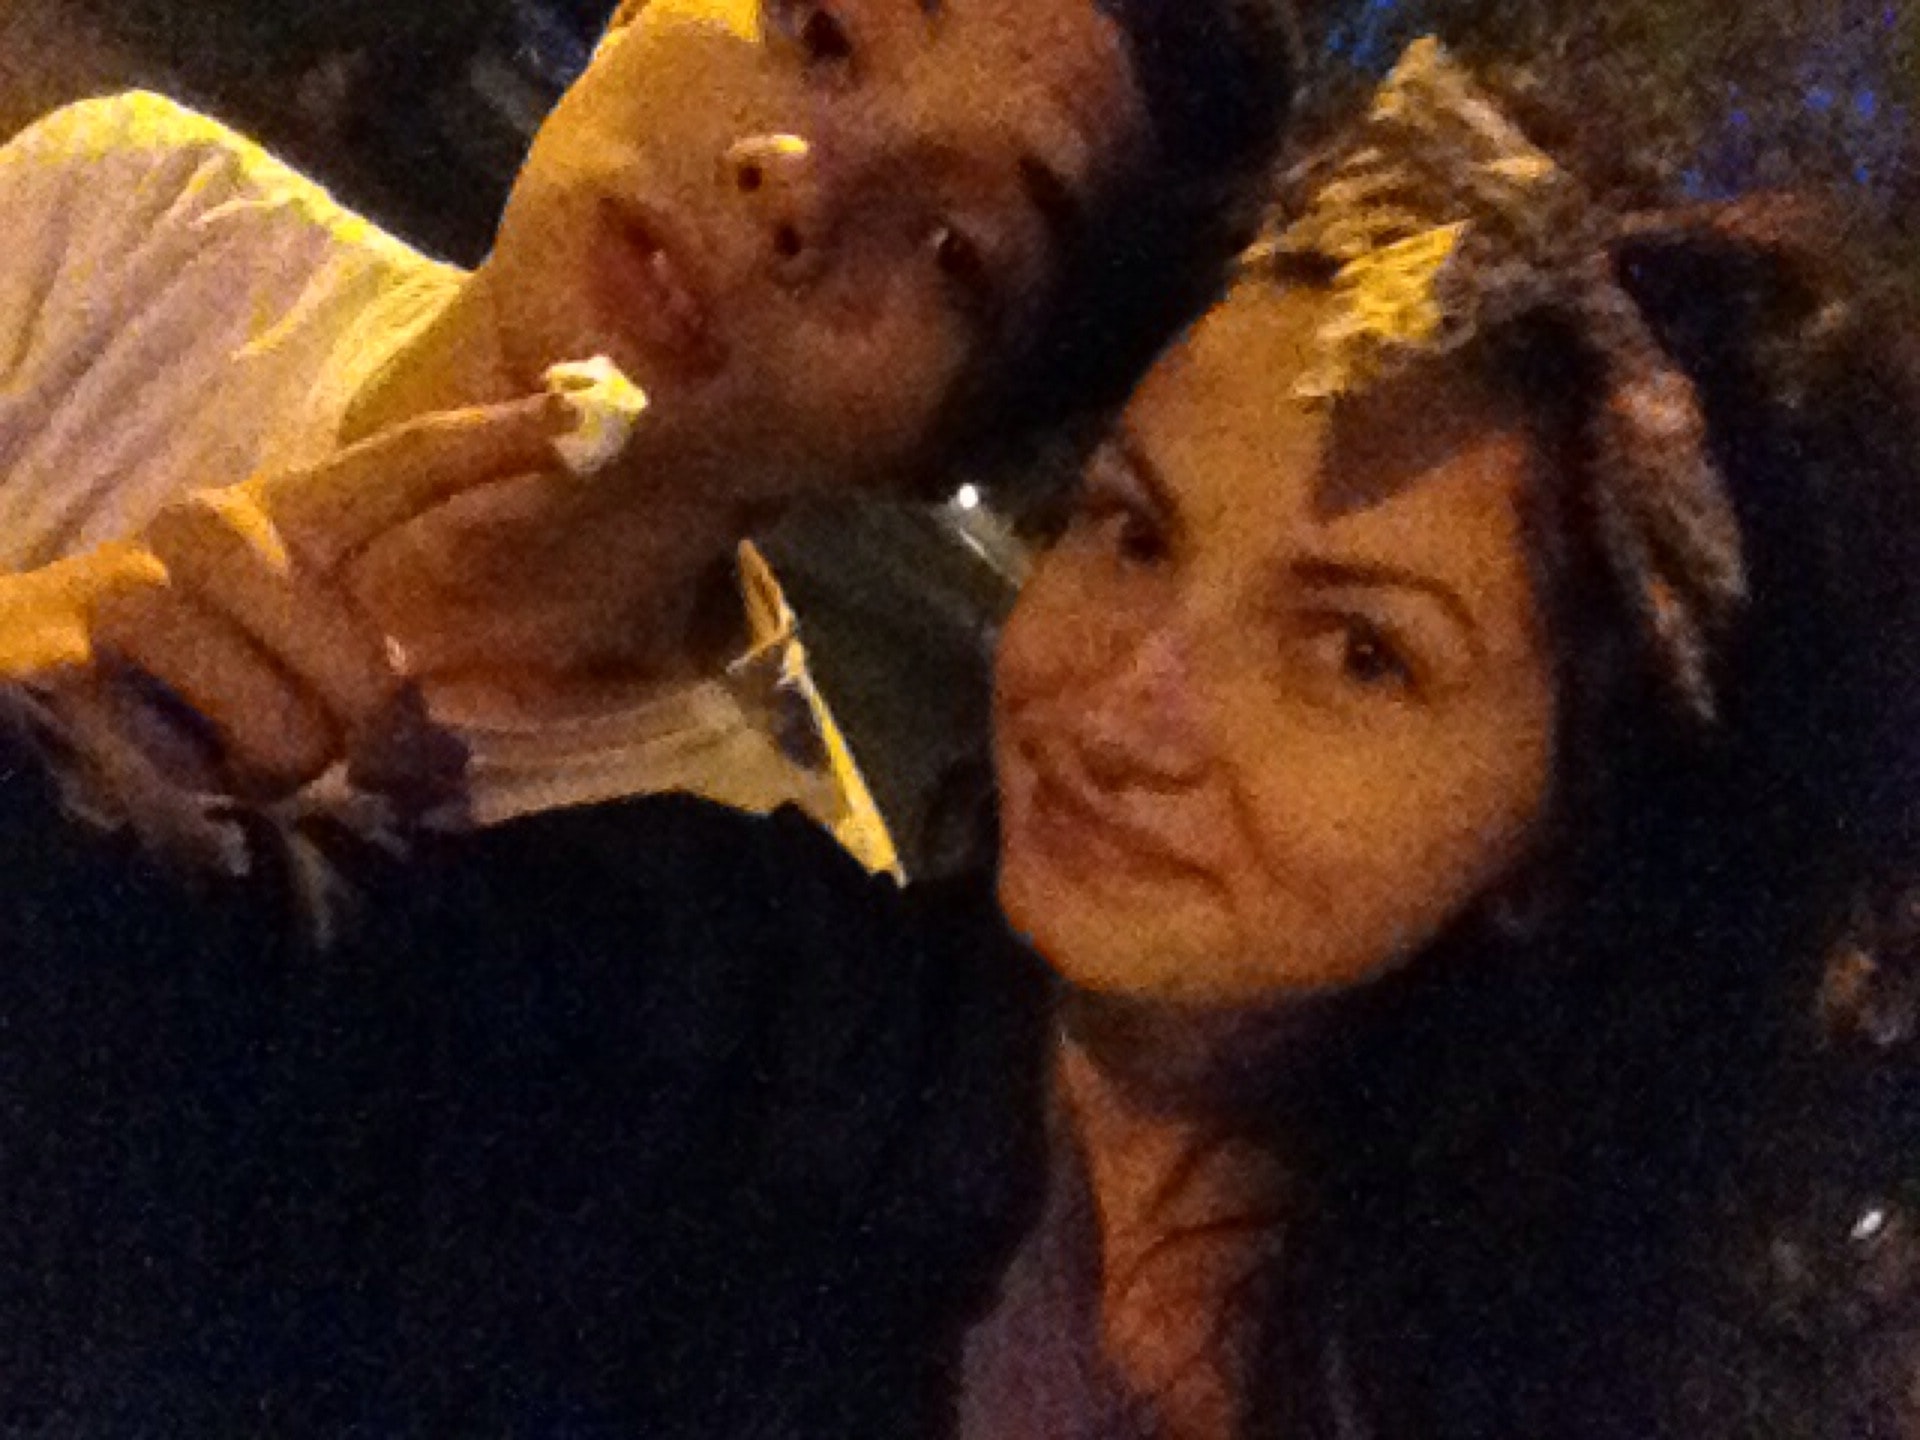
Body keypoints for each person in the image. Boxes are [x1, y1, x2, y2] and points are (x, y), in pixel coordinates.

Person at [6, 37, 1920, 1439]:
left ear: (1572, 832)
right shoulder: (706, 1024)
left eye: (1354, 652)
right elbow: (166, 1040)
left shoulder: (1545, 1370)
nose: (1126, 700)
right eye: (1135, 529)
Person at [0, 0, 1296, 906]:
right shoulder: (130, 231)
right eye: (825, 32)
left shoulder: (732, 947)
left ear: (943, 448)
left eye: (955, 248)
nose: (800, 185)